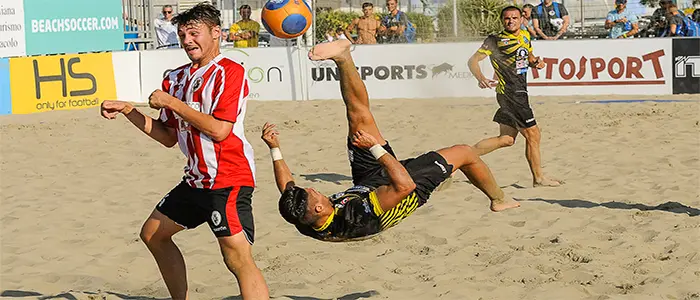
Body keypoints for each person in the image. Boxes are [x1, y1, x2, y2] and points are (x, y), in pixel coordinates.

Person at [260, 39, 520, 243]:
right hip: (403, 190)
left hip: (367, 181)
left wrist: (275, 149)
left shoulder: (300, 212)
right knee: (464, 153)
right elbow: (403, 185)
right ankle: (498, 199)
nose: (315, 189)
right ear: (318, 208)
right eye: (314, 193)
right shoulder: (355, 217)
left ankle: (343, 57)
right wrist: (374, 147)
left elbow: (287, 187)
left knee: (358, 116)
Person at [100, 3, 269, 299]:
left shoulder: (230, 72)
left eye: (194, 32)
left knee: (237, 259)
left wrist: (173, 104)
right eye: (182, 34)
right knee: (153, 234)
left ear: (216, 33)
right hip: (196, 180)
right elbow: (167, 137)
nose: (187, 40)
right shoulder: (175, 78)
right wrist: (129, 110)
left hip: (228, 178)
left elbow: (219, 130)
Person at [467, 6, 562, 188]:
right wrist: (480, 78)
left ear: (521, 19)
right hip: (511, 93)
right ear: (502, 21)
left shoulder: (525, 35)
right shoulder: (495, 40)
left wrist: (535, 62)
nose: (511, 21)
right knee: (533, 135)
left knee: (506, 139)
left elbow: (527, 56)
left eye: (514, 18)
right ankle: (539, 178)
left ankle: (461, 157)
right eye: (507, 18)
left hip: (516, 92)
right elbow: (472, 61)